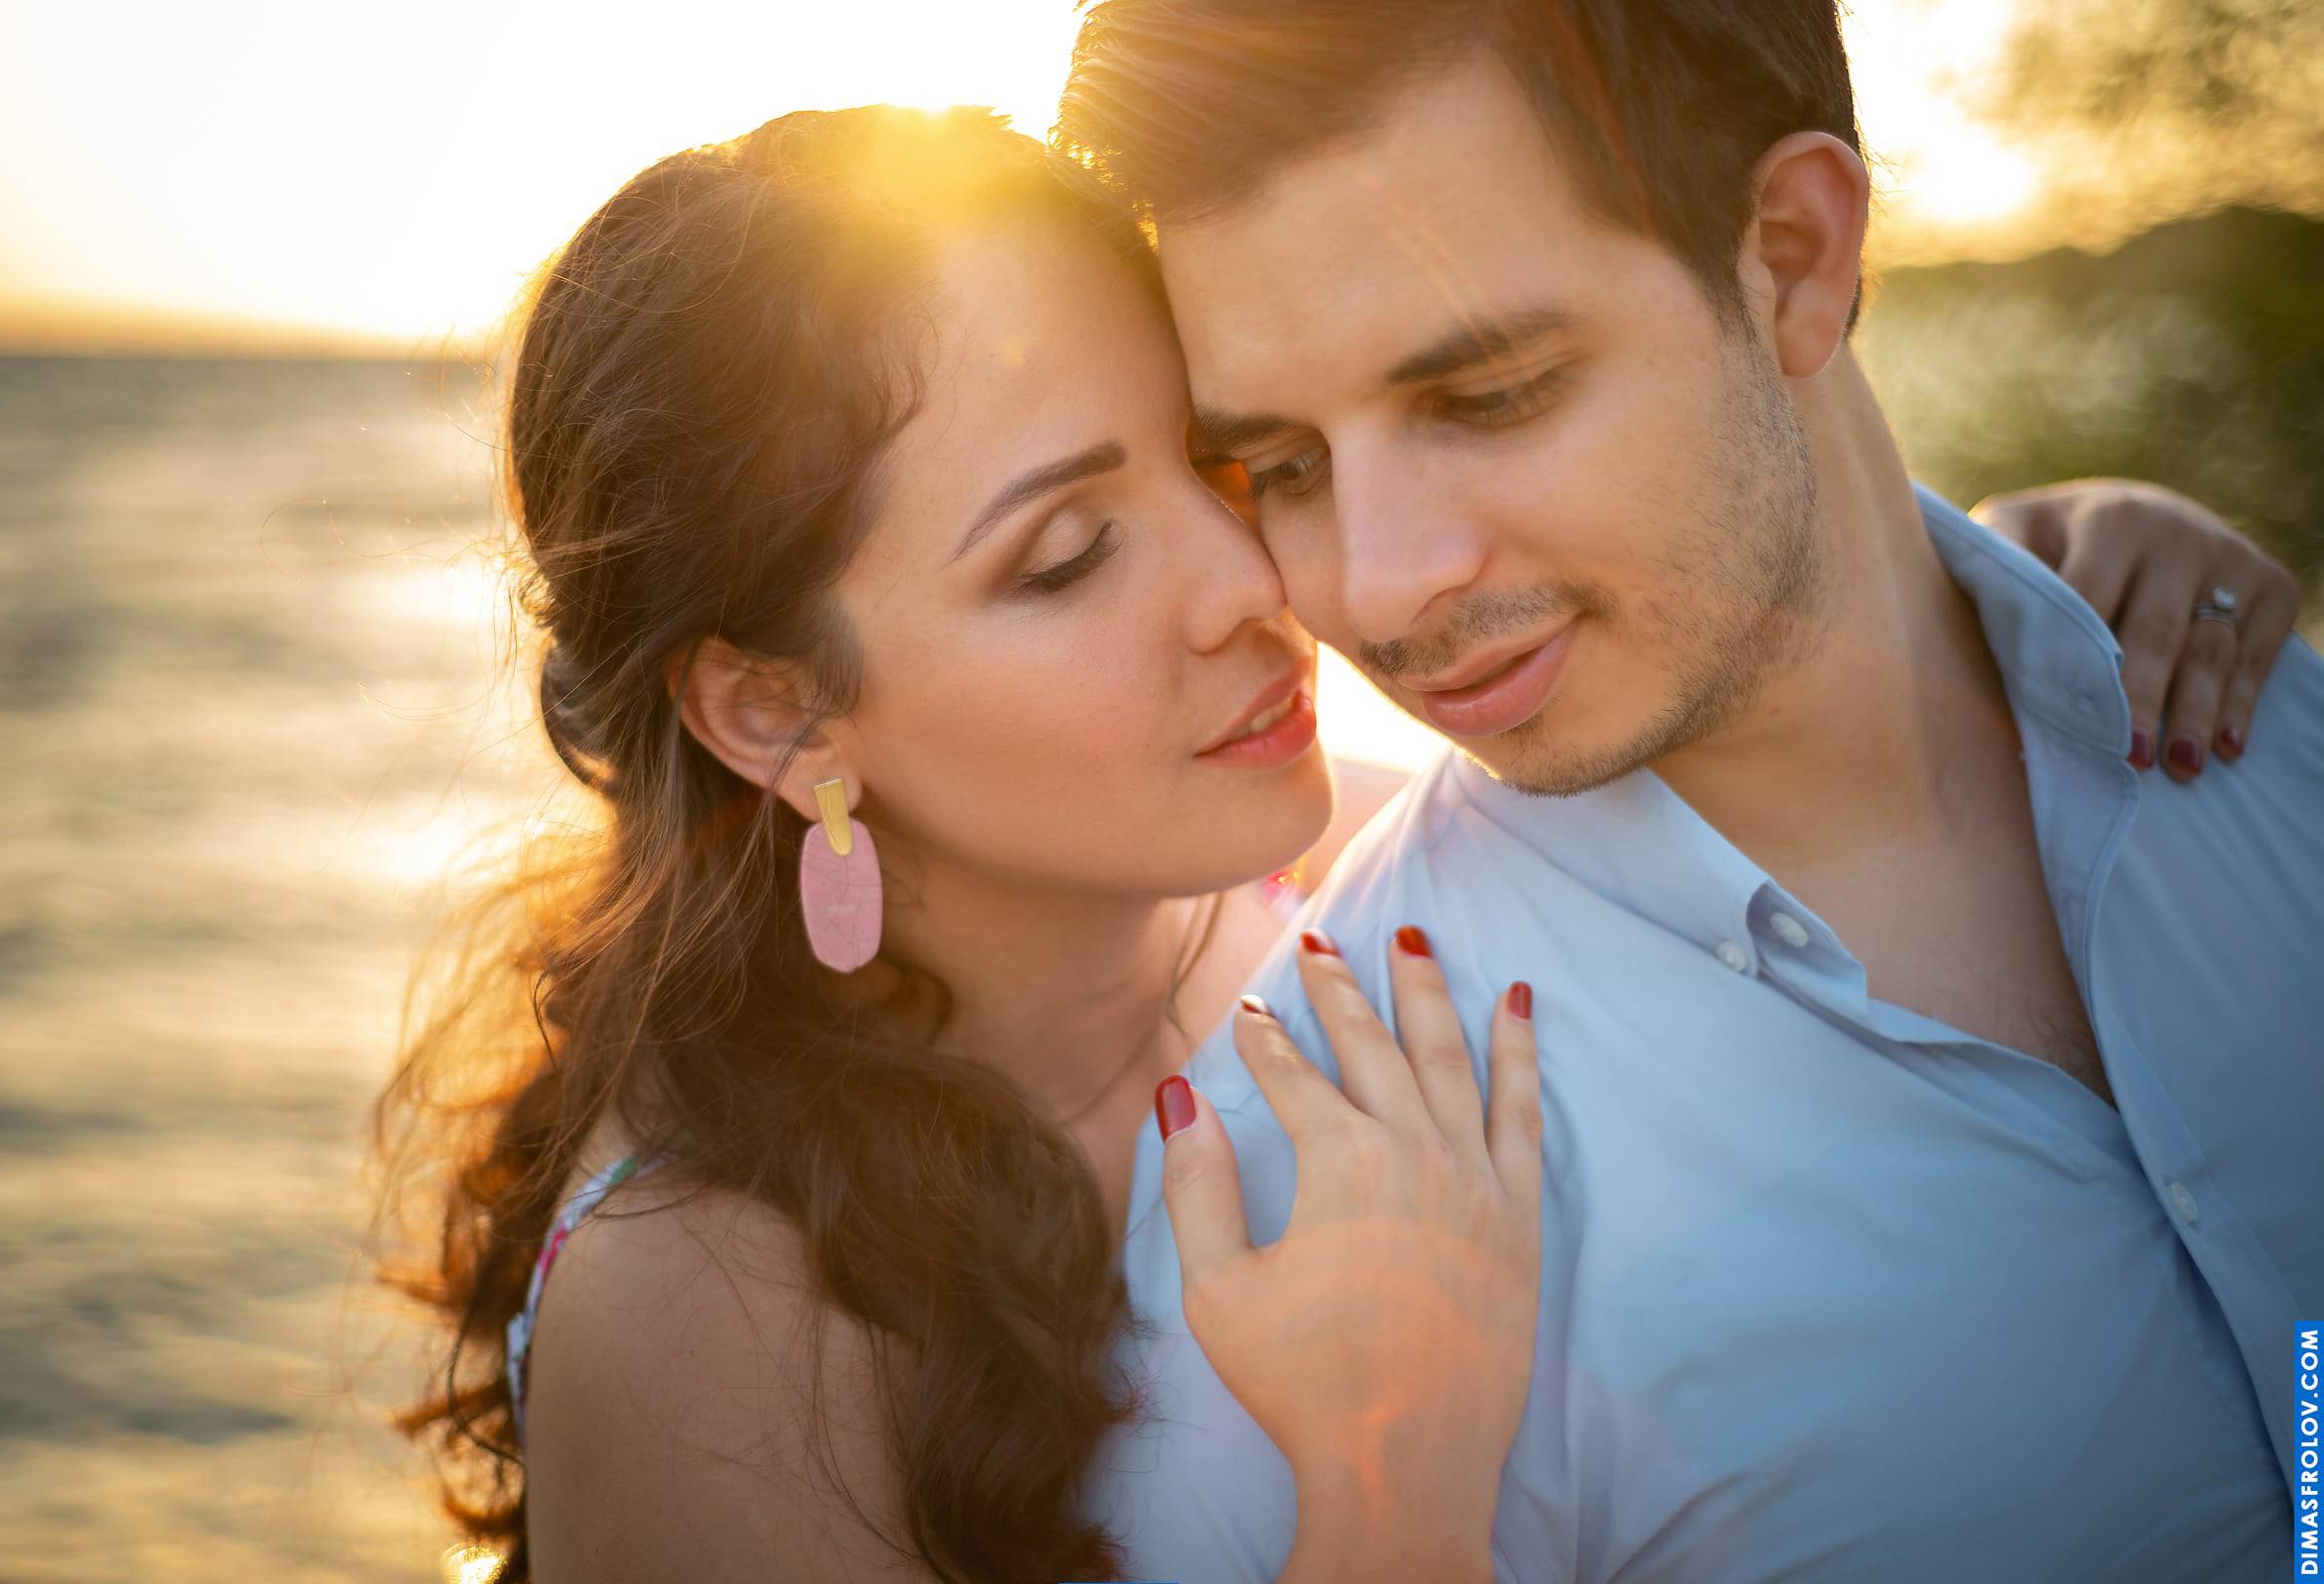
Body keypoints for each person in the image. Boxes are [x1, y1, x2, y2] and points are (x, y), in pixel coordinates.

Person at [370, 105, 2300, 1584]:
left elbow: (1813, 707)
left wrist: (2038, 581)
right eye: (1063, 554)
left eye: (1229, 461)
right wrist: (1391, 1483)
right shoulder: (712, 1304)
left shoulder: (1373, 878)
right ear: (779, 708)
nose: (1261, 582)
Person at [1055, 4, 2324, 1581]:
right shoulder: (1295, 1219)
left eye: (1490, 392)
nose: (1375, 587)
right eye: (1284, 468)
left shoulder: (2270, 739)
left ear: (1792, 252)